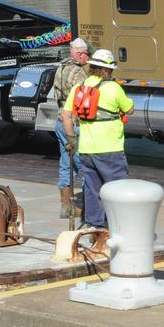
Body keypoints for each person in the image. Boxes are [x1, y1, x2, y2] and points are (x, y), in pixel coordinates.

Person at [60, 49, 134, 231]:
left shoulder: (80, 88)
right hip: (110, 149)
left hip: (87, 149)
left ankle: (93, 225)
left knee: (92, 189)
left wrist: (71, 139)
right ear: (107, 71)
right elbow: (130, 109)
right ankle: (119, 225)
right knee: (117, 189)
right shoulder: (113, 88)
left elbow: (66, 115)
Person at [53, 38, 90, 219]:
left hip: (60, 121)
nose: (87, 59)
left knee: (66, 163)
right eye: (87, 55)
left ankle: (65, 206)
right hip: (74, 123)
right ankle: (90, 207)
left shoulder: (60, 69)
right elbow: (84, 100)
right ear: (80, 54)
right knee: (85, 163)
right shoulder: (79, 73)